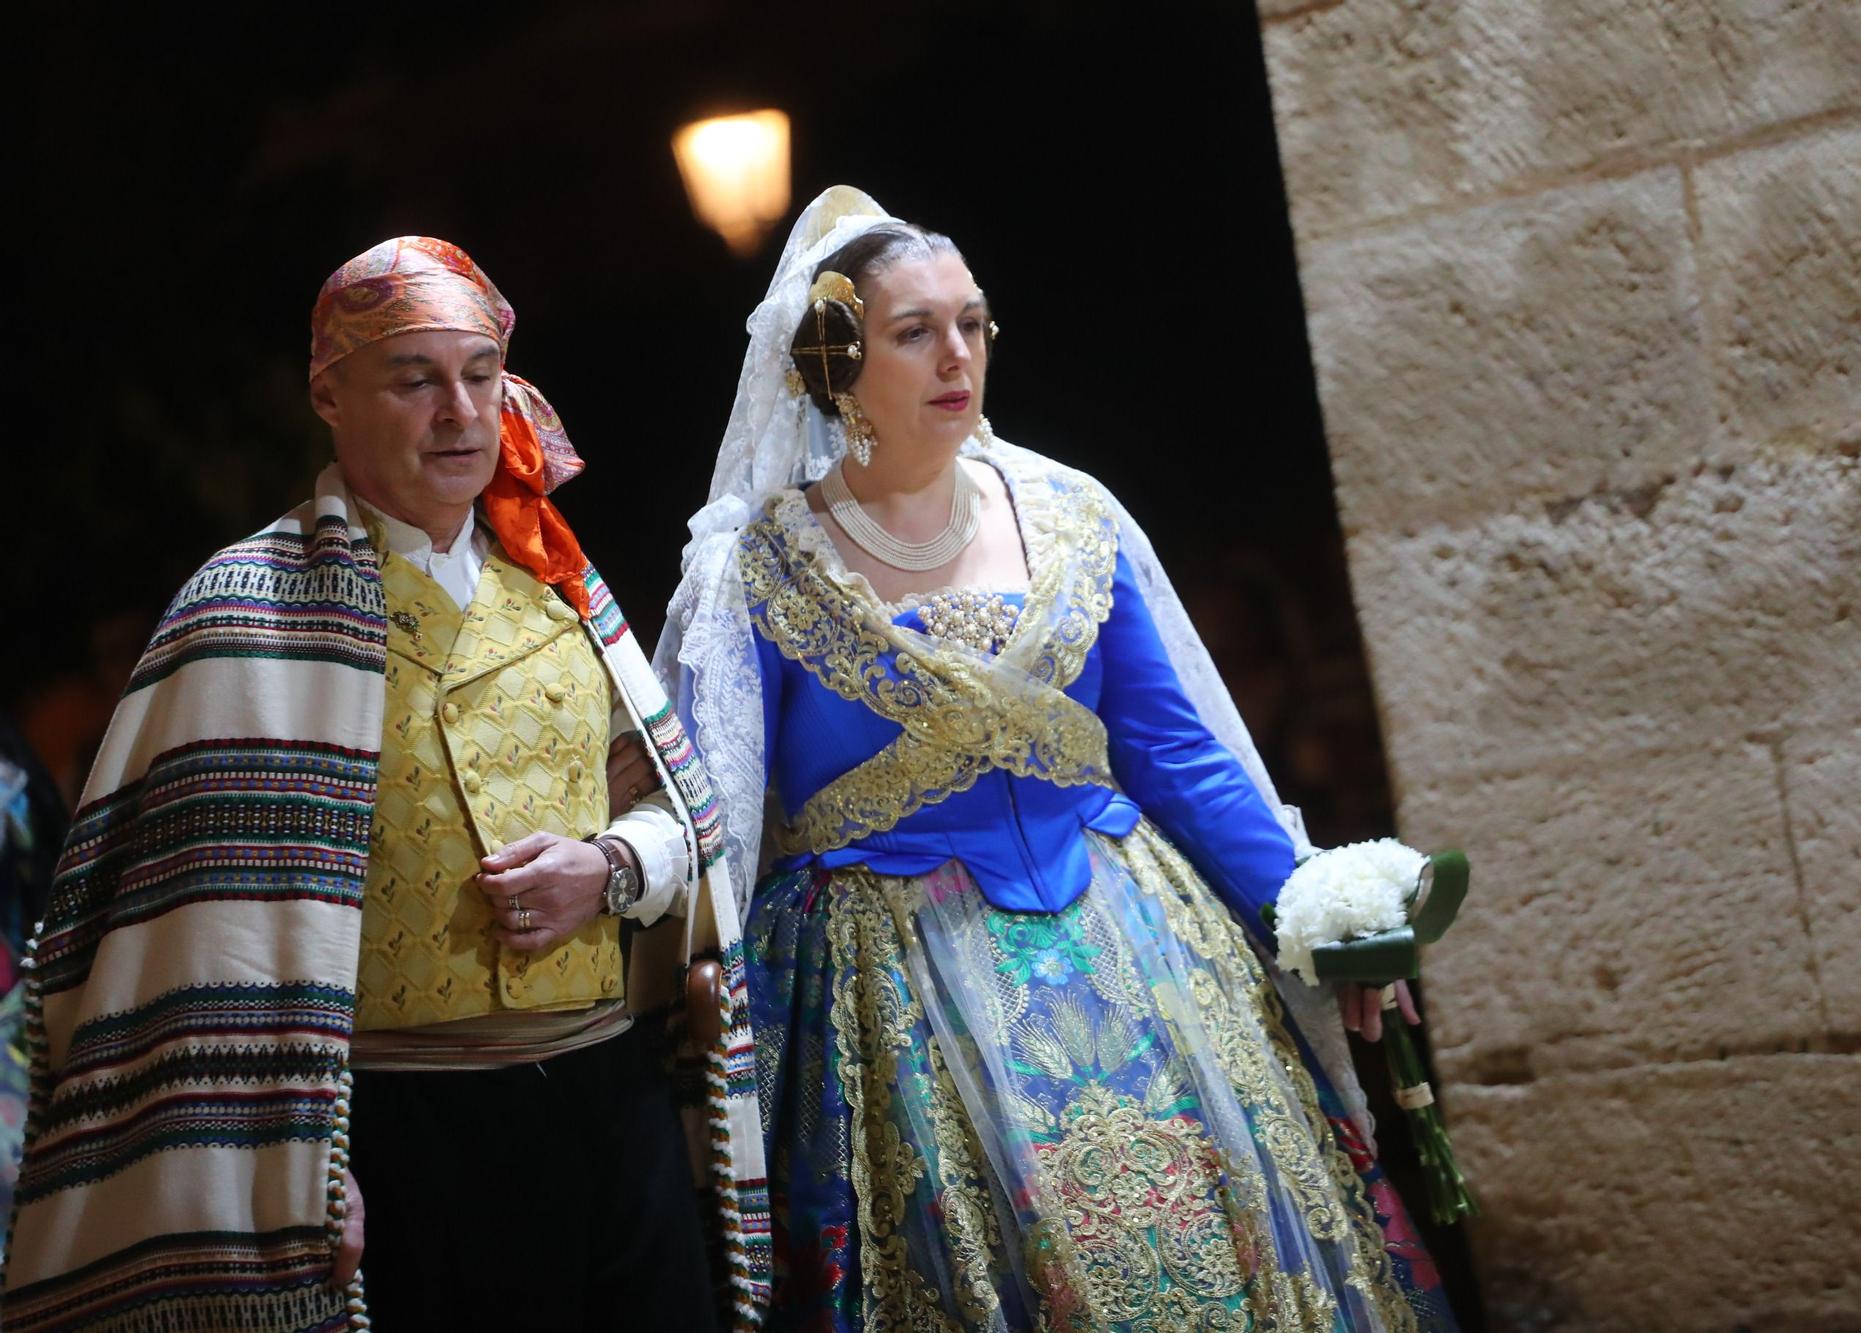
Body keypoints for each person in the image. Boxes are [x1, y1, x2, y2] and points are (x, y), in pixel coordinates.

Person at [658, 186, 1454, 1331]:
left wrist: (1309, 909)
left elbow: (1175, 749)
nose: (956, 356)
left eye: (972, 324)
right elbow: (717, 811)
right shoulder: (763, 566)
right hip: (894, 982)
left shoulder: (1072, 515)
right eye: (914, 331)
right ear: (834, 356)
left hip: (1135, 949)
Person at [4, 238, 767, 1331]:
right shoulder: (247, 611)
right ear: (329, 393)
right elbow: (186, 935)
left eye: (477, 374)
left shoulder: (559, 590)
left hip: (609, 1099)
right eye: (416, 379)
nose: (458, 410)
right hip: (394, 1125)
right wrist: (288, 1160)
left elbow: (677, 810)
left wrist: (606, 868)